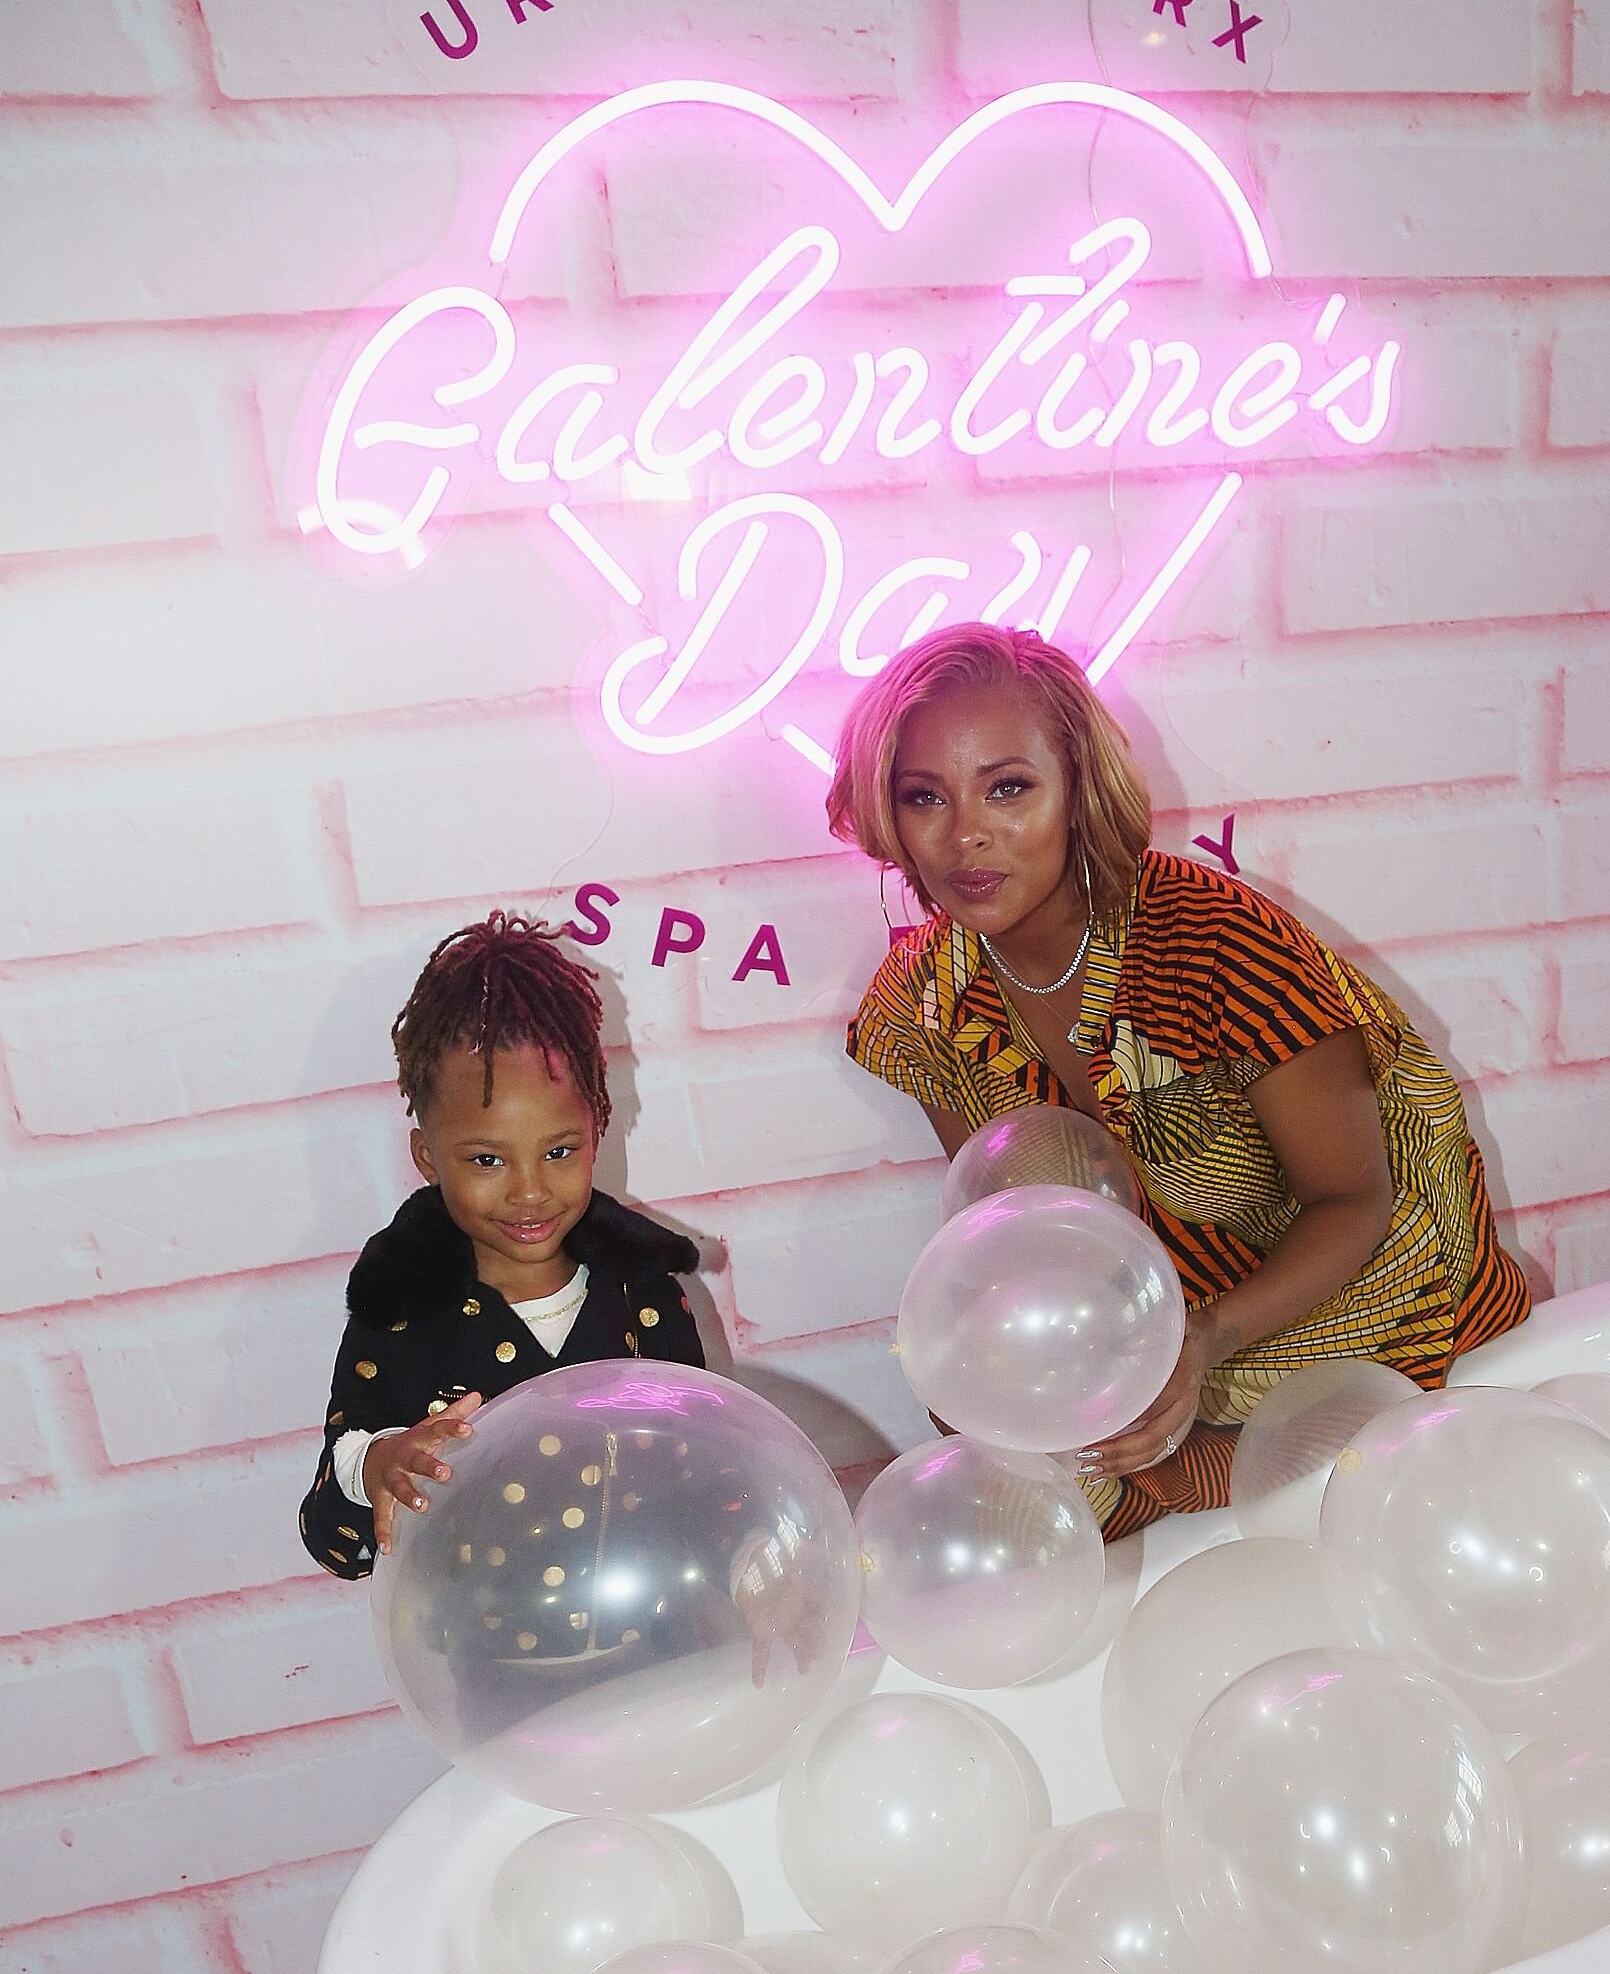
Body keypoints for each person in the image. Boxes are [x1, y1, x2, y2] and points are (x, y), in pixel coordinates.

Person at [837, 626, 1530, 1537]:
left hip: (1387, 1347)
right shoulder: (921, 1005)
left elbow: (1355, 1200)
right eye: (922, 797)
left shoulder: (1218, 945)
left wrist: (1203, 1342)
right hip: (1167, 1378)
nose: (966, 833)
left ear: (1079, 790)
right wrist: (1006, 1380)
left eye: (1009, 787)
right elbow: (1017, 1237)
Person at [301, 911, 702, 1579]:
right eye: (487, 1161)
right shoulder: (401, 1314)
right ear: (427, 1156)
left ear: (596, 1128)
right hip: (489, 1671)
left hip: (667, 1649)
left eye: (559, 1151)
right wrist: (376, 1466)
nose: (528, 1192)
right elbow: (333, 1540)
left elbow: (710, 1466)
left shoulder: (647, 1291)